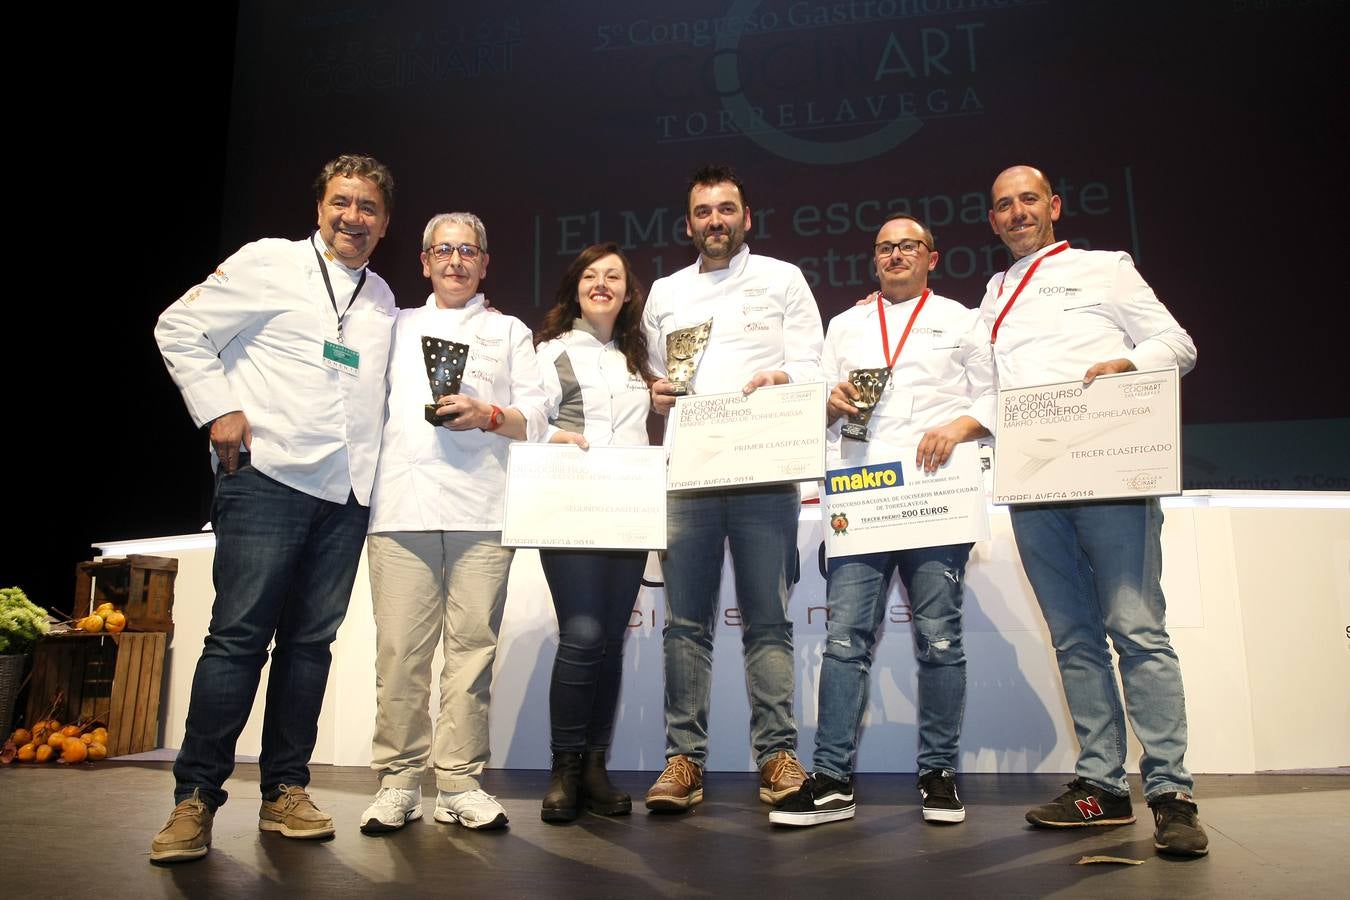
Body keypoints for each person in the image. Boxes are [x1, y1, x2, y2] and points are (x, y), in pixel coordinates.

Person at [150, 154, 397, 863]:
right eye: (342, 203)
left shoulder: (380, 298)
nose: (354, 217)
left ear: (384, 223)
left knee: (309, 649)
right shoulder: (267, 262)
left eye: (369, 208)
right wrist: (219, 409)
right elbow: (177, 327)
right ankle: (194, 800)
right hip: (268, 479)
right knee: (235, 642)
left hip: (347, 496)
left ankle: (285, 790)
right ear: (320, 207)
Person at [980, 165, 1206, 857]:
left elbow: (1178, 345)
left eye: (1028, 200)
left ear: (1053, 206)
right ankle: (1101, 789)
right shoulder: (992, 292)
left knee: (1136, 628)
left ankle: (1170, 793)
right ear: (993, 221)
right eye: (1003, 206)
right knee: (1075, 639)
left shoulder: (1105, 268)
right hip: (1034, 481)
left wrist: (1128, 367)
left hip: (1109, 468)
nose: (1017, 212)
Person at [770, 215, 994, 827]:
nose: (896, 255)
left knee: (940, 641)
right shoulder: (845, 324)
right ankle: (833, 778)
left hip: (934, 492)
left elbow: (994, 395)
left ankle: (939, 773)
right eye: (885, 248)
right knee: (845, 644)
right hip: (864, 495)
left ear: (932, 256)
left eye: (909, 246)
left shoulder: (961, 318)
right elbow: (815, 401)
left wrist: (956, 427)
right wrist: (828, 402)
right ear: (874, 259)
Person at [358, 212, 548, 835]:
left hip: (483, 510)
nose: (456, 261)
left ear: (485, 263)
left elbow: (537, 416)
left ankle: (460, 781)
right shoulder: (395, 324)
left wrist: (489, 413)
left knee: (471, 654)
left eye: (468, 251)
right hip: (401, 507)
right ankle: (398, 782)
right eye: (443, 250)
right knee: (401, 654)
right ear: (423, 261)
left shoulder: (510, 331)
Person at [641, 164, 824, 811]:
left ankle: (777, 756)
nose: (714, 221)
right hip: (689, 473)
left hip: (763, 472)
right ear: (687, 222)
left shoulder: (782, 279)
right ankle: (683, 761)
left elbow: (814, 364)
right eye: (703, 211)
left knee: (768, 623)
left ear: (745, 217)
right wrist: (657, 394)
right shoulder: (664, 292)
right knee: (685, 626)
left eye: (726, 209)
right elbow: (662, 380)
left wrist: (786, 378)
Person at [532, 242, 656, 822]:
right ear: (575, 288)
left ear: (629, 293)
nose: (601, 283)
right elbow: (528, 413)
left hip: (629, 508)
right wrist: (549, 435)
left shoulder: (642, 357)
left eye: (614, 276)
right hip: (572, 505)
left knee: (609, 640)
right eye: (590, 275)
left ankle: (594, 767)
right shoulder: (551, 352)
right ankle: (563, 768)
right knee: (582, 634)